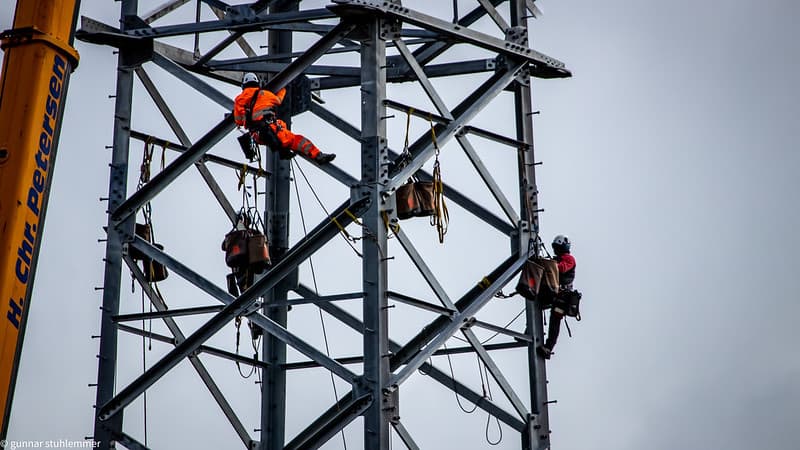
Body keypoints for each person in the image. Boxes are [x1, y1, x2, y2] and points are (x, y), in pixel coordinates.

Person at [233, 72, 335, 164]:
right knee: (297, 140)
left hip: (257, 134)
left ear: (243, 85)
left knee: (284, 141)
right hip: (272, 129)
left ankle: (284, 151)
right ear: (257, 83)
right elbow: (278, 100)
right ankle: (318, 155)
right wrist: (283, 88)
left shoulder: (239, 99)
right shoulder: (265, 94)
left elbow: (239, 120)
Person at [537, 234, 576, 359]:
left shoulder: (569, 259)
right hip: (553, 293)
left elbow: (561, 269)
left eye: (557, 247)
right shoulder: (557, 259)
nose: (555, 250)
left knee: (555, 322)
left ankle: (548, 348)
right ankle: (530, 330)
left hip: (562, 297)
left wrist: (548, 265)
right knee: (535, 301)